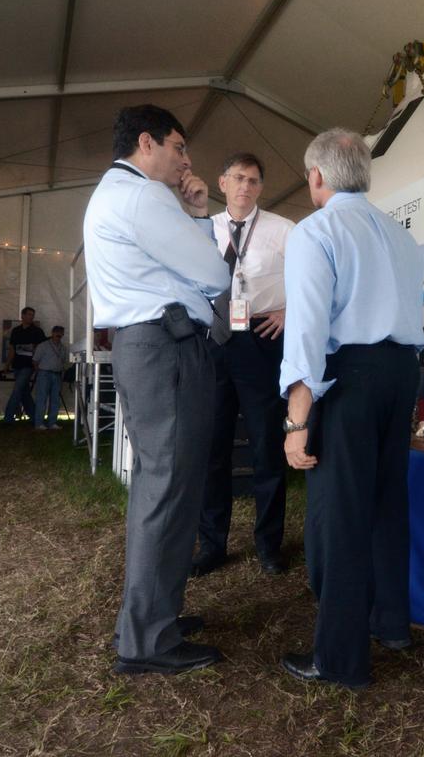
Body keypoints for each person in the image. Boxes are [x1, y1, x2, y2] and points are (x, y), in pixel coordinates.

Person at [83, 104, 231, 675]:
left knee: (160, 486)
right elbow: (216, 277)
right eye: (179, 147)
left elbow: (188, 268)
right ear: (147, 143)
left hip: (149, 347)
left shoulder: (117, 194)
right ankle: (148, 640)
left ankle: (151, 617)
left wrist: (195, 215)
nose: (185, 160)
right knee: (168, 490)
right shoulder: (143, 196)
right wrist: (195, 221)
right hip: (167, 349)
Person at [278, 128, 424, 688]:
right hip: (401, 372)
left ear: (316, 177)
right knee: (388, 500)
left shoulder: (316, 232)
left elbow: (308, 334)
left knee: (339, 515)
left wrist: (297, 421)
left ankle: (339, 658)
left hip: (353, 377)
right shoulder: (400, 235)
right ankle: (391, 624)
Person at [193, 153, 295, 578]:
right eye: (238, 178)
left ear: (260, 187)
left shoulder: (282, 229)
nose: (245, 187)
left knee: (266, 445)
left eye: (254, 180)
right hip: (214, 340)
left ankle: (268, 544)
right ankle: (212, 543)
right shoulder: (203, 229)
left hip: (260, 339)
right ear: (222, 181)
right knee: (213, 447)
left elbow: (311, 278)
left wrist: (291, 311)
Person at [3, 307, 46, 423]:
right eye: (29, 314)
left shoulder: (37, 331)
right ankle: (35, 417)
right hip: (17, 364)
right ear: (22, 316)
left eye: (32, 315)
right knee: (24, 392)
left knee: (17, 390)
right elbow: (12, 349)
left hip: (29, 365)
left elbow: (42, 350)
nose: (31, 317)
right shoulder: (16, 331)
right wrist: (7, 365)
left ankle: (8, 418)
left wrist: (37, 365)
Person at [32, 325, 67, 430]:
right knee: (41, 399)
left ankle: (52, 423)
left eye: (60, 333)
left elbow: (63, 361)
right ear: (52, 333)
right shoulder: (43, 346)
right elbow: (35, 360)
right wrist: (40, 372)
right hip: (44, 374)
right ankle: (39, 423)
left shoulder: (63, 348)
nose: (58, 334)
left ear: (63, 334)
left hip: (57, 374)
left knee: (55, 399)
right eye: (56, 332)